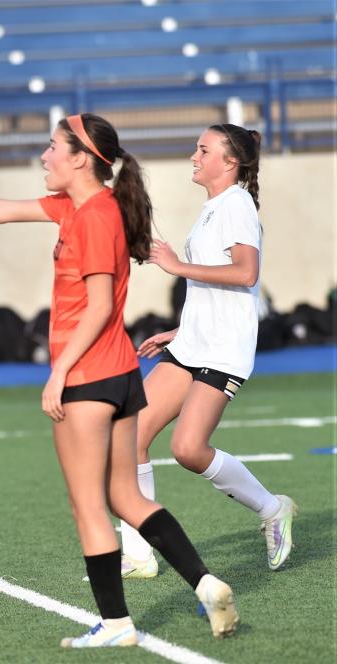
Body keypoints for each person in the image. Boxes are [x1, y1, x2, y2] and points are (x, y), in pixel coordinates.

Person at [0, 113, 238, 647]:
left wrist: (60, 371)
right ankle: (205, 583)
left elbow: (95, 308)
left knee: (88, 505)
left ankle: (116, 625)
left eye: (52, 147)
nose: (44, 156)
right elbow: (1, 211)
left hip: (89, 376)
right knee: (125, 497)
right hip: (120, 376)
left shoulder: (93, 216)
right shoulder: (86, 206)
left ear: (80, 158)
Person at [118, 124, 296, 576]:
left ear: (229, 161)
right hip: (194, 343)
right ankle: (138, 555)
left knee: (189, 449)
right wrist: (181, 330)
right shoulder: (214, 207)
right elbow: (214, 290)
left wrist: (175, 264)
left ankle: (272, 509)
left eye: (203, 149)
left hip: (222, 353)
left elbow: (245, 274)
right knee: (131, 437)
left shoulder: (236, 204)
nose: (194, 156)